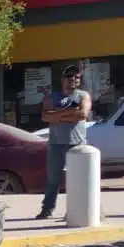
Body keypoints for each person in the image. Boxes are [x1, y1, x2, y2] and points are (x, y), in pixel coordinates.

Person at [37, 65, 90, 219]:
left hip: (77, 144)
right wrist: (68, 112)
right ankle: (47, 209)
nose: (73, 79)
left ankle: (76, 210)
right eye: (69, 76)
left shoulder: (83, 96)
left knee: (77, 180)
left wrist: (57, 116)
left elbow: (83, 114)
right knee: (53, 179)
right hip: (56, 145)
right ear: (62, 79)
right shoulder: (52, 97)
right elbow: (46, 117)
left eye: (76, 77)